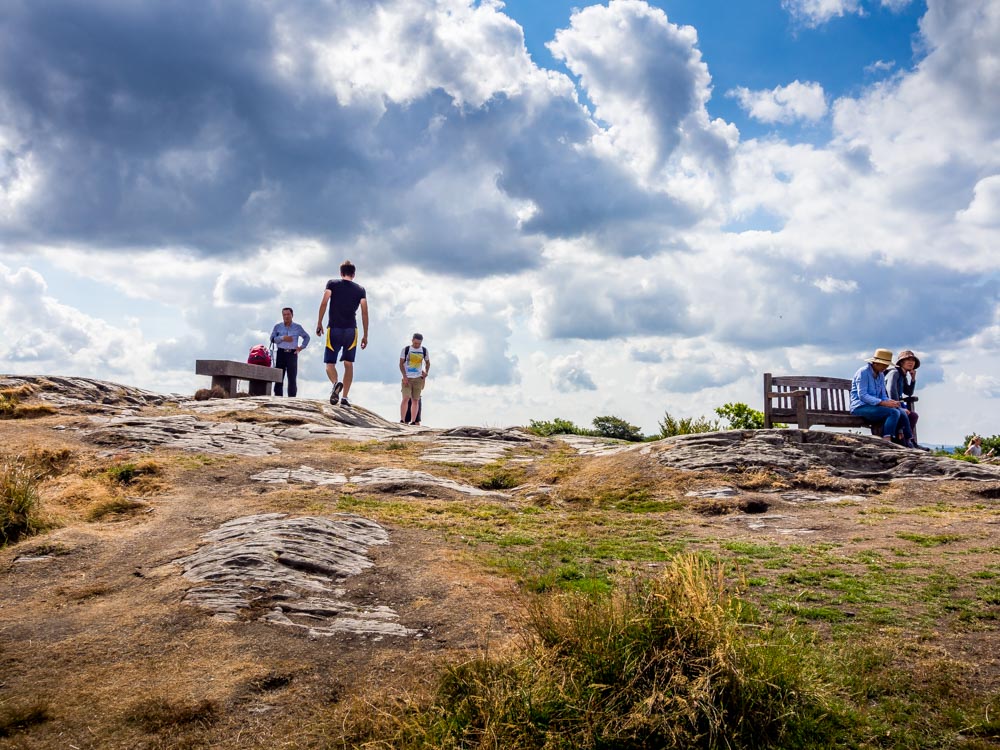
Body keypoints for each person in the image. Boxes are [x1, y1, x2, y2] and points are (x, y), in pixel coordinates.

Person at [316, 260, 368, 407]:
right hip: (351, 330)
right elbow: (364, 312)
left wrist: (319, 322)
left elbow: (324, 302)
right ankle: (344, 398)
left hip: (334, 328)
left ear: (341, 273)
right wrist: (366, 334)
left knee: (329, 363)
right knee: (348, 364)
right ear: (354, 274)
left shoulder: (332, 284)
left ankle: (335, 384)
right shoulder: (360, 290)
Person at [849, 348, 916, 447]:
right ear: (876, 363)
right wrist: (883, 403)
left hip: (875, 407)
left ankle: (909, 441)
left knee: (900, 411)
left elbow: (883, 395)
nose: (886, 367)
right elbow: (862, 395)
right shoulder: (863, 372)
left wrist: (891, 402)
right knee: (893, 412)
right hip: (860, 407)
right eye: (884, 364)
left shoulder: (880, 374)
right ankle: (887, 440)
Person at [884, 349, 926, 449]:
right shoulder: (894, 373)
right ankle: (906, 442)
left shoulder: (903, 375)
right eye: (908, 359)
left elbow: (908, 392)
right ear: (901, 362)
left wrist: (913, 379)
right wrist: (899, 407)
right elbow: (891, 391)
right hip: (889, 404)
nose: (911, 362)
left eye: (913, 360)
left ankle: (909, 441)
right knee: (906, 414)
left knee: (913, 415)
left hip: (896, 404)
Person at [269, 307, 310, 397]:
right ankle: (278, 397)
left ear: (292, 315)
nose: (286, 316)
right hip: (280, 353)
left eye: (288, 314)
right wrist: (283, 338)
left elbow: (307, 337)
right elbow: (272, 339)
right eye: (284, 315)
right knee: (279, 376)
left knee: (292, 377)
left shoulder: (297, 327)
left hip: (292, 354)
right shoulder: (277, 327)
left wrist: (301, 347)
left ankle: (292, 399)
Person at [399, 333, 430, 425]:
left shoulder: (424, 350)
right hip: (407, 377)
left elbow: (428, 363)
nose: (417, 345)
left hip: (418, 378)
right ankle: (402, 420)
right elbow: (401, 364)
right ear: (412, 340)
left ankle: (413, 421)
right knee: (406, 397)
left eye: (419, 344)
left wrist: (426, 372)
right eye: (415, 343)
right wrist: (404, 376)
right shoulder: (406, 349)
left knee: (415, 399)